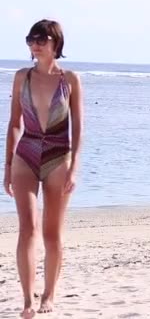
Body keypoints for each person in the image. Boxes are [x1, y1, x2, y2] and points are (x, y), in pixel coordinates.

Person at [3, 19, 84, 317]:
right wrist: (7, 164)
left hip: (58, 156)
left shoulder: (70, 79)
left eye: (42, 39)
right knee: (27, 228)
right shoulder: (21, 77)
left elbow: (78, 129)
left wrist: (74, 168)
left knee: (52, 233)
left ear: (55, 44)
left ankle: (49, 295)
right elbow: (14, 123)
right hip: (25, 153)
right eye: (30, 38)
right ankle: (27, 300)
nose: (35, 44)